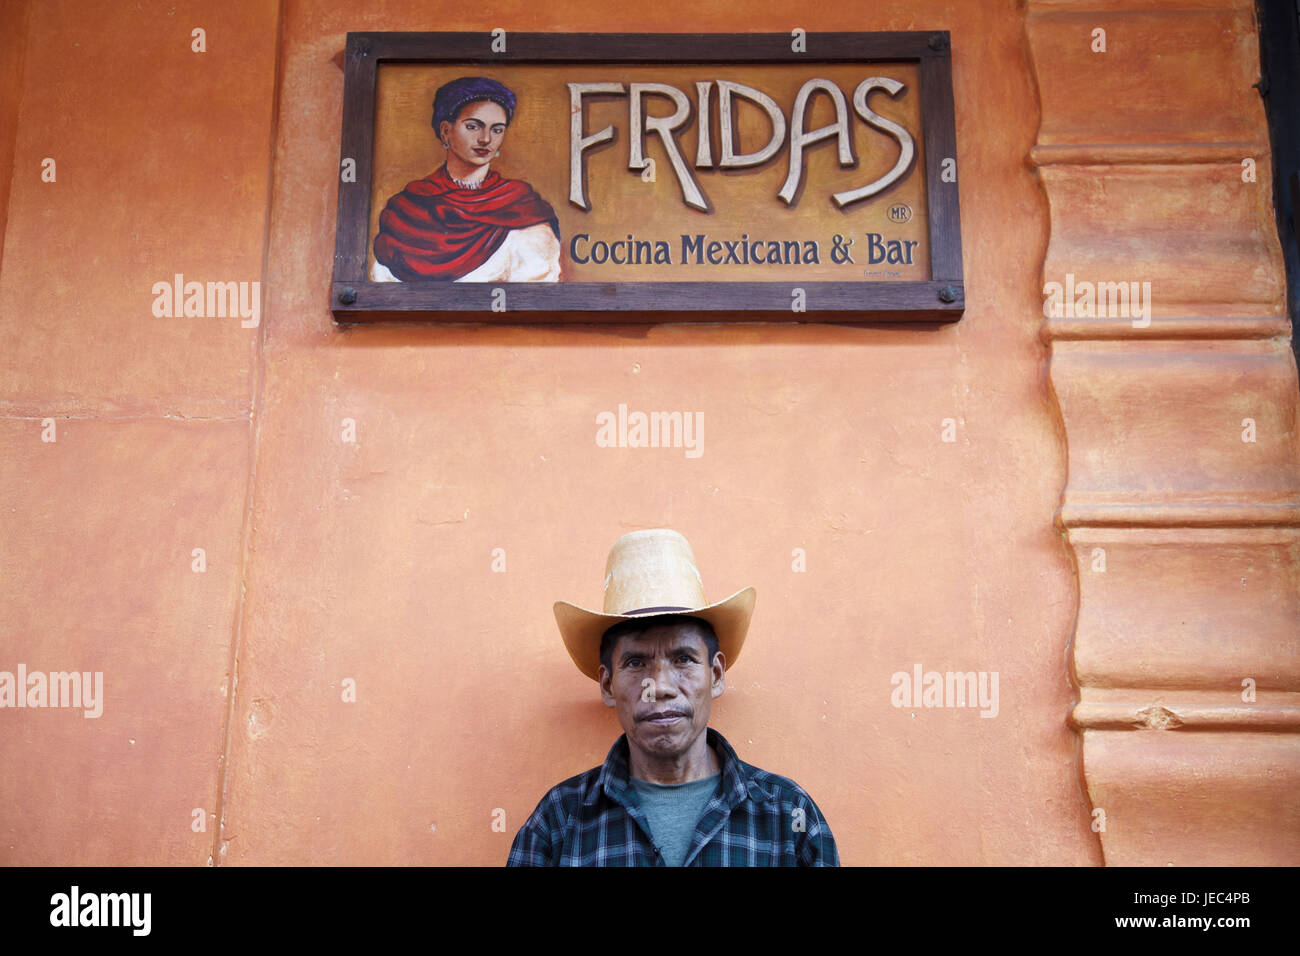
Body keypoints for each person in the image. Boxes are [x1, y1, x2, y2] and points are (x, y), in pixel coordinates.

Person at [507, 528, 839, 866]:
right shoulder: (557, 823)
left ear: (716, 675)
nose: (661, 687)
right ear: (607, 685)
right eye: (636, 662)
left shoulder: (788, 817)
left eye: (683, 659)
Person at [371, 76, 561, 282]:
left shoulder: (520, 207)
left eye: (497, 130)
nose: (485, 139)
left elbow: (536, 296)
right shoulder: (407, 208)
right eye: (473, 126)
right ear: (446, 131)